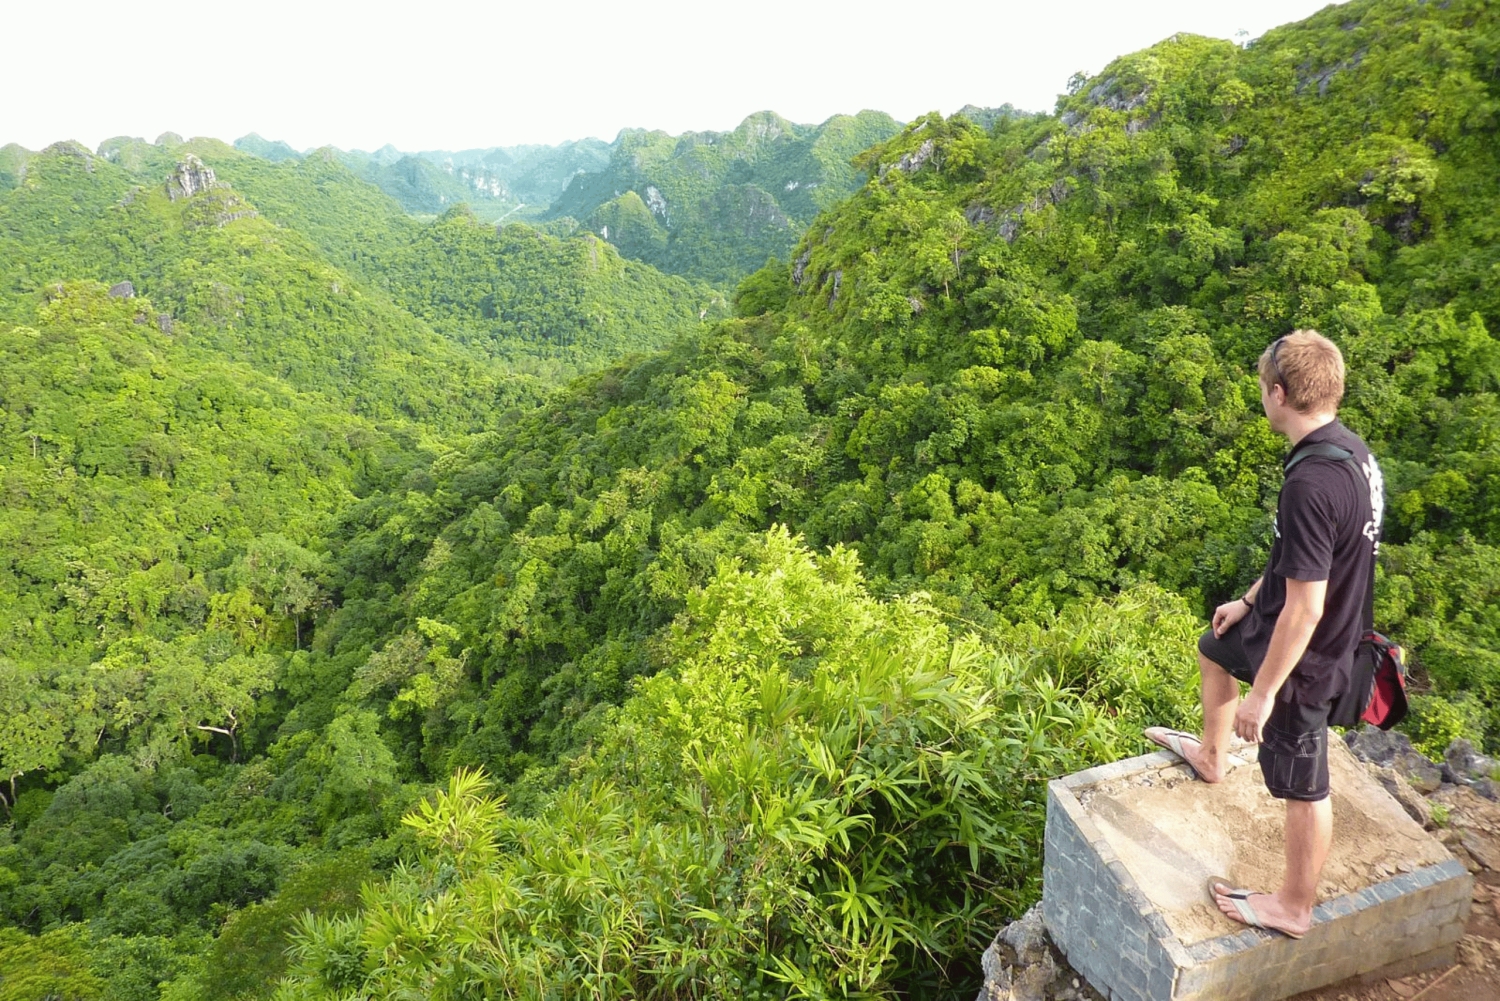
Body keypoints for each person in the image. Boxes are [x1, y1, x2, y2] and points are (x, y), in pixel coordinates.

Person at [1144, 329, 1383, 939]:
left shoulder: (1311, 482)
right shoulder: (1347, 450)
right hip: (1278, 620)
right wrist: (1249, 601)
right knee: (1214, 649)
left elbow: (1306, 608)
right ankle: (1213, 757)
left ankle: (1294, 906)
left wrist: (1264, 694)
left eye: (1261, 387)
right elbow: (1304, 559)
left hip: (1309, 653)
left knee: (1303, 782)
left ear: (1279, 395)